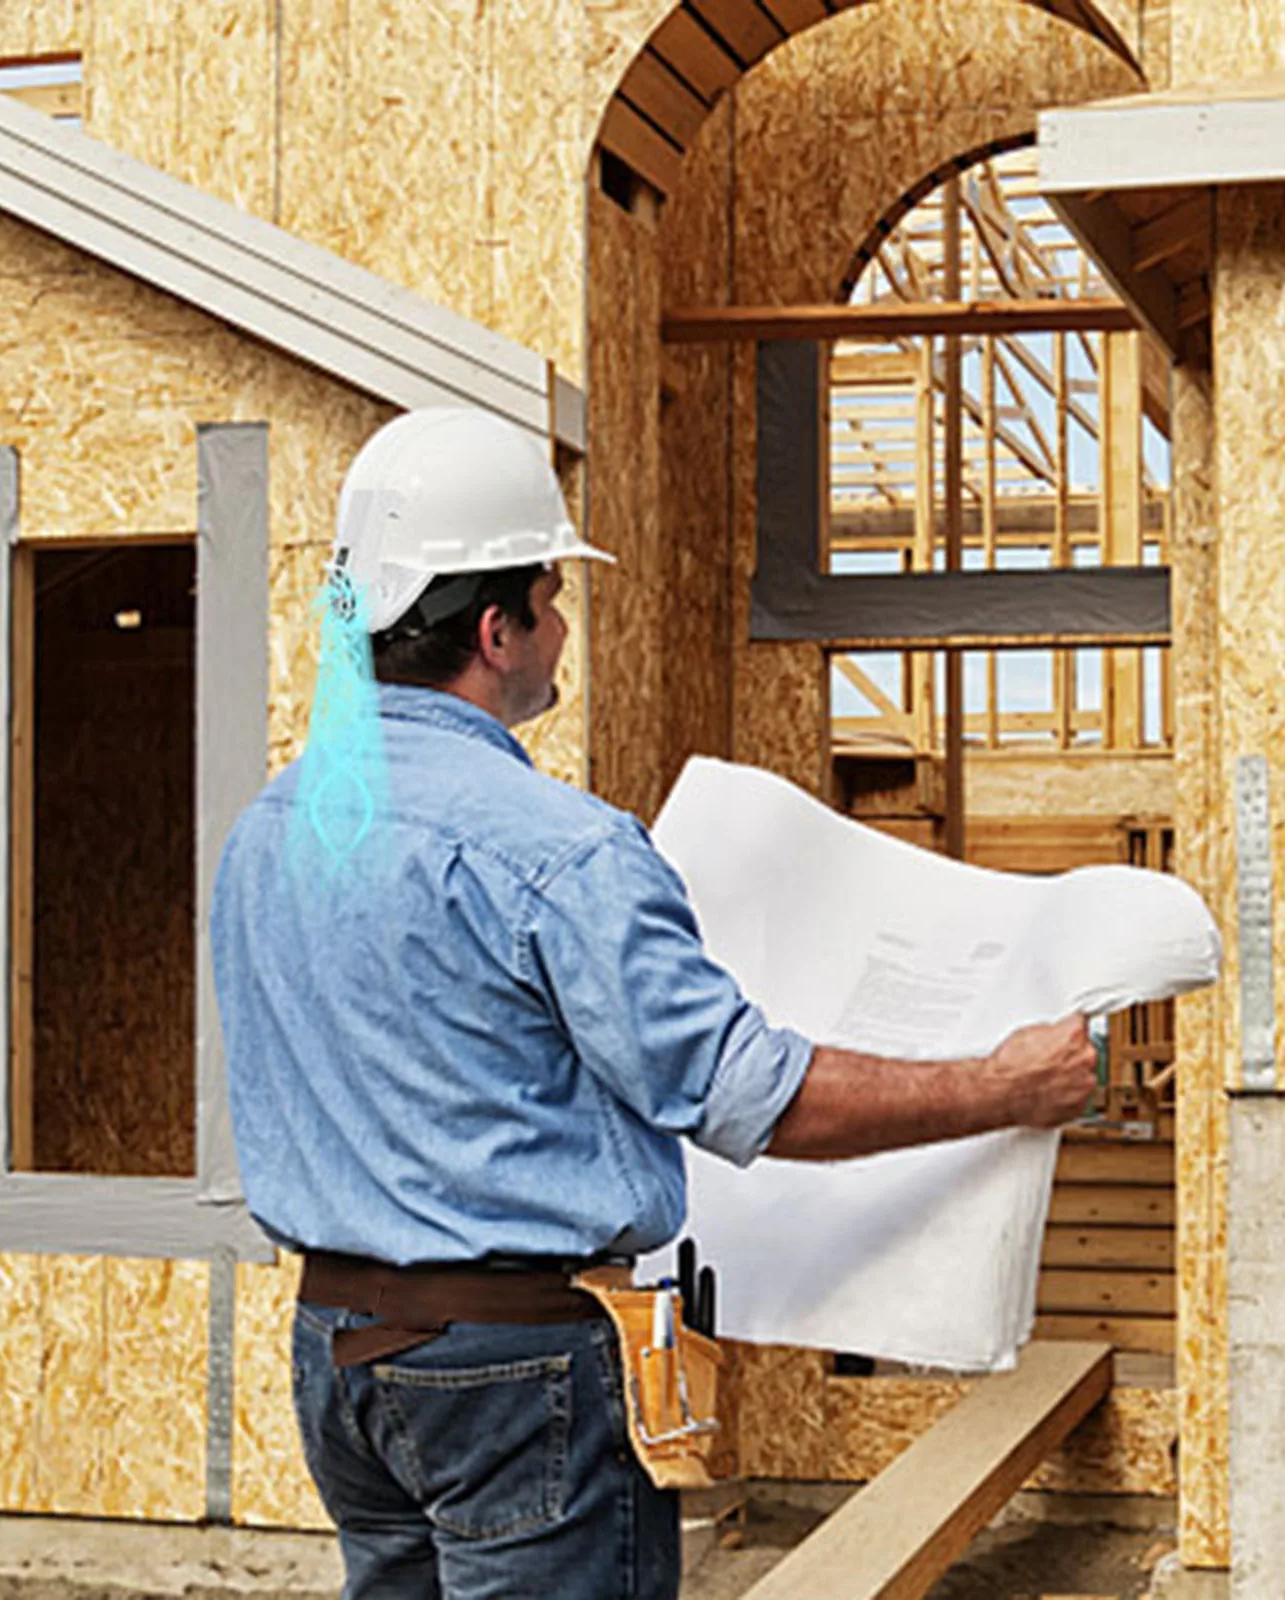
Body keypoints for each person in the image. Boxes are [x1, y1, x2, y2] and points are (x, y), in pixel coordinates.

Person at [210, 407, 1097, 1600]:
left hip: (340, 1359)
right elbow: (752, 1098)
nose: (564, 623)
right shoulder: (557, 849)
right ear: (495, 630)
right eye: (550, 593)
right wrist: (1004, 1085)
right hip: (509, 1372)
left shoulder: (271, 830)